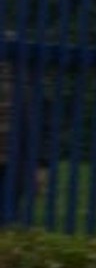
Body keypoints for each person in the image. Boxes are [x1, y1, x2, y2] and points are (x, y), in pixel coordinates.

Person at [0, 39, 48, 224]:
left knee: (8, 217)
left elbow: (37, 124)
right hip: (14, 160)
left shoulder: (25, 83)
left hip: (13, 162)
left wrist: (40, 165)